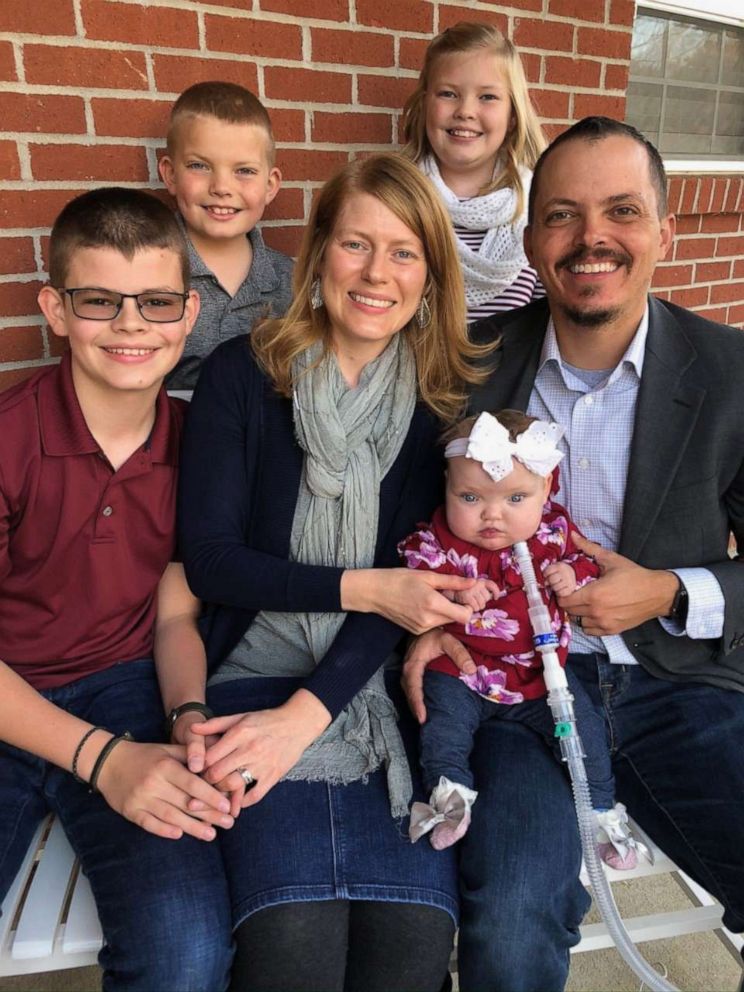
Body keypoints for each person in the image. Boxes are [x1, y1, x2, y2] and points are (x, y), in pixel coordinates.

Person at [403, 116, 744, 992]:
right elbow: (411, 529)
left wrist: (671, 588)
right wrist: (423, 621)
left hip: (677, 683)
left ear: (666, 231)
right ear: (532, 237)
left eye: (622, 211)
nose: (592, 238)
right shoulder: (472, 365)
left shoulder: (731, 372)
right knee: (514, 922)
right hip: (515, 692)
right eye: (563, 215)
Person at [178, 152, 493, 992]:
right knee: (292, 947)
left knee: (414, 949)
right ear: (319, 255)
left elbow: (413, 593)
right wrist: (362, 586)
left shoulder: (433, 406)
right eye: (357, 244)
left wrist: (304, 718)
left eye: (403, 252)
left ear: (429, 277)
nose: (377, 273)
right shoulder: (242, 377)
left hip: (369, 686)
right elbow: (210, 563)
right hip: (246, 678)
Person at [0, 188, 233, 991]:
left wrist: (187, 714)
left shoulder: (197, 444)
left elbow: (173, 611)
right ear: (55, 310)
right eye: (99, 300)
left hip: (127, 693)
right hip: (9, 691)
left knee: (187, 956)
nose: (132, 325)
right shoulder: (8, 437)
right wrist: (103, 761)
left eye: (157, 302)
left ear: (189, 311)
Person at [400, 409, 640, 869]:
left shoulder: (552, 532)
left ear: (545, 490)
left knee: (582, 729)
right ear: (446, 486)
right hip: (464, 667)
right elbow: (412, 571)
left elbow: (588, 561)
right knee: (441, 723)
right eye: (470, 497)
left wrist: (573, 573)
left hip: (538, 672)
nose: (493, 514)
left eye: (516, 498)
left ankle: (600, 812)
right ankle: (450, 796)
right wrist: (454, 585)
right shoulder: (441, 539)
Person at [402, 21, 546, 323]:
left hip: (510, 370)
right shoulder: (397, 197)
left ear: (512, 115)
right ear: (425, 103)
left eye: (487, 97)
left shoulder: (536, 205)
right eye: (448, 94)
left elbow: (547, 318)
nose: (466, 110)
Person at [158, 81, 293, 390]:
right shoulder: (144, 275)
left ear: (270, 185)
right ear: (170, 174)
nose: (221, 187)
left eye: (244, 171)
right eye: (199, 166)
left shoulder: (291, 282)